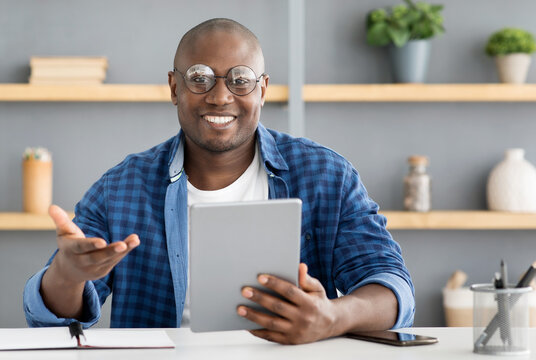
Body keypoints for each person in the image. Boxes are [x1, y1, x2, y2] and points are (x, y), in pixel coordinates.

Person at [23, 18, 414, 345]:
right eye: (200, 78)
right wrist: (67, 275)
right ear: (175, 88)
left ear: (262, 90)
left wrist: (333, 315)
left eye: (240, 79)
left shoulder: (326, 174)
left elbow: (392, 288)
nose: (220, 96)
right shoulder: (121, 188)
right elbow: (52, 323)